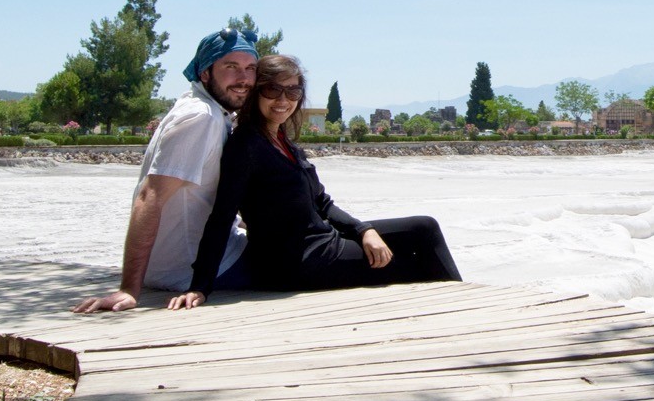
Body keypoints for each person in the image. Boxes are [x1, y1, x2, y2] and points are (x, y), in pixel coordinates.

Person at [169, 54, 461, 309]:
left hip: (324, 245)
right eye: (273, 90)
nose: (283, 100)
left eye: (293, 92)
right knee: (413, 262)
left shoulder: (284, 142)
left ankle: (457, 305)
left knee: (424, 227)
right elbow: (222, 216)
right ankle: (463, 310)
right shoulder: (245, 145)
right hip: (297, 263)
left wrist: (364, 231)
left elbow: (322, 202)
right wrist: (200, 286)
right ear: (256, 93)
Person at [72, 29, 260, 313]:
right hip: (194, 268)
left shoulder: (206, 110)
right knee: (329, 259)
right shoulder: (201, 118)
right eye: (230, 67)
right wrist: (129, 289)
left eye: (250, 69)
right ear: (205, 73)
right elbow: (150, 197)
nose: (243, 79)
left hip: (203, 257)